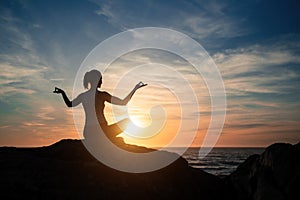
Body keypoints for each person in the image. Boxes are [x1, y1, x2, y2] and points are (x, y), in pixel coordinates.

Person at [53, 69, 147, 145]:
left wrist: (62, 93)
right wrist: (135, 88)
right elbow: (123, 102)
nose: (102, 81)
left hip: (88, 133)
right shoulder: (102, 95)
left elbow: (69, 104)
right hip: (102, 131)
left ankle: (107, 139)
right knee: (127, 121)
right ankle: (108, 139)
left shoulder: (83, 95)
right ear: (96, 80)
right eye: (101, 79)